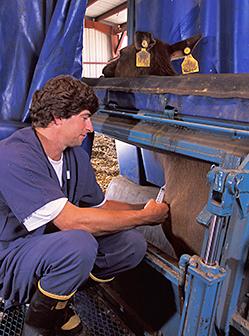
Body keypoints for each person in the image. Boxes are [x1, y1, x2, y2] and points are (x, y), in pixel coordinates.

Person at [0, 75, 169, 336]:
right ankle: (36, 326)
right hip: (10, 257)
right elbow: (73, 221)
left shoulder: (74, 157)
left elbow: (101, 207)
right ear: (57, 117)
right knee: (79, 244)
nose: (90, 128)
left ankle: (56, 302)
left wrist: (147, 209)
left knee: (131, 245)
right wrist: (144, 219)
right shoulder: (15, 155)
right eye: (84, 117)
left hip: (49, 246)